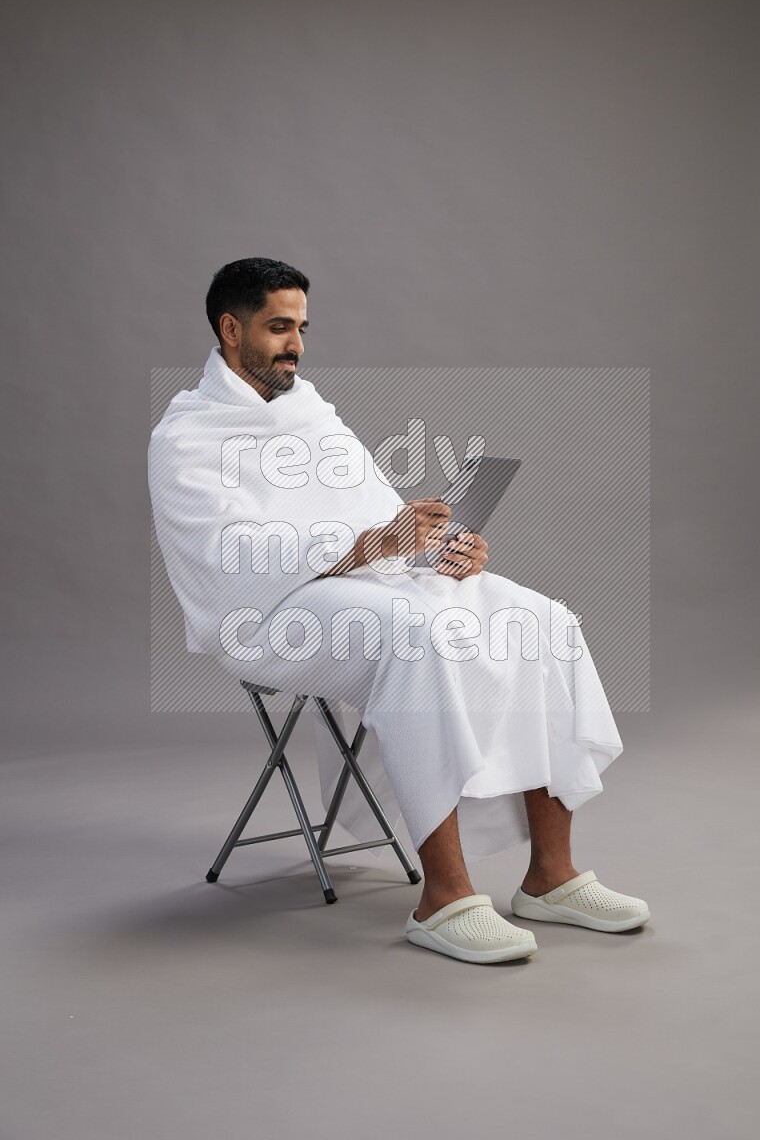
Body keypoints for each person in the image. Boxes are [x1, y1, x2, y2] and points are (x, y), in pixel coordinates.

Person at [148, 257, 650, 965]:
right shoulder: (185, 438)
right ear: (231, 329)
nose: (296, 343)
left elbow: (377, 516)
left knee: (541, 619)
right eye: (279, 327)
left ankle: (550, 877)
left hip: (357, 580)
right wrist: (365, 544)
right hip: (265, 616)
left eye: (302, 328)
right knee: (416, 634)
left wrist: (441, 545)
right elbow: (228, 557)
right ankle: (443, 898)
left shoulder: (310, 411)